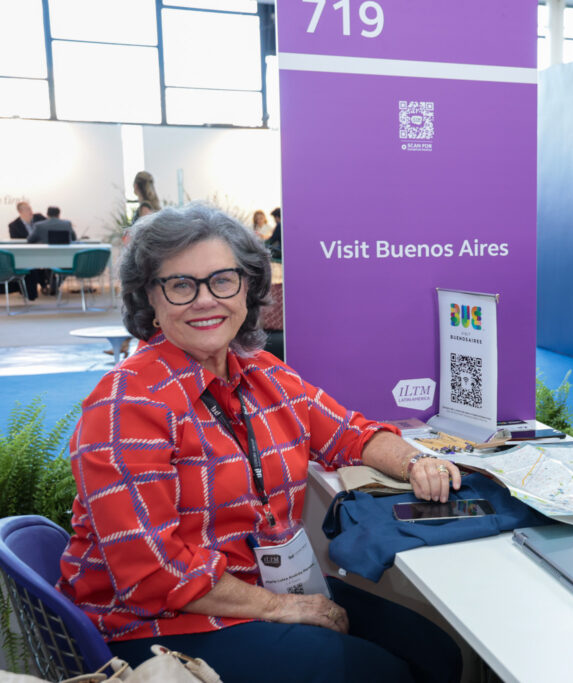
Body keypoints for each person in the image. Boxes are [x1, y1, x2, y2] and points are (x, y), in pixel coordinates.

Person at [58, 203, 462, 682]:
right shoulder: (125, 405)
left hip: (253, 587)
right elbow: (152, 575)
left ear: (247, 287)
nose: (205, 300)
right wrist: (278, 608)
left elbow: (351, 433)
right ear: (151, 298)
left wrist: (417, 461)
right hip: (153, 626)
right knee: (379, 674)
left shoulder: (265, 375)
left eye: (222, 280)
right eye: (181, 285)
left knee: (437, 654)